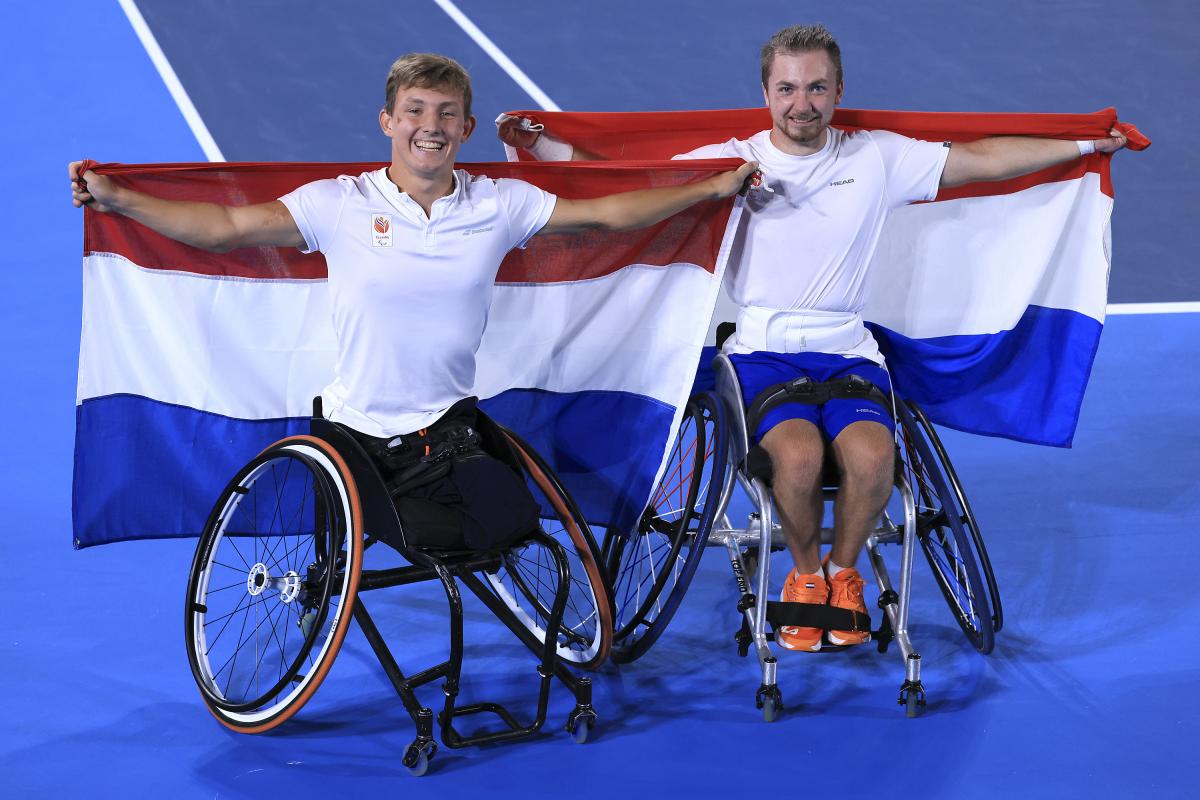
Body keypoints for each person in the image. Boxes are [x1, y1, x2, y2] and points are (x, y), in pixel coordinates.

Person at [499, 24, 1128, 650]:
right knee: (797, 459)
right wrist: (545, 146)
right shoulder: (731, 166)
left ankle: (842, 572)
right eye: (788, 89)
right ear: (767, 93)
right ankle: (803, 576)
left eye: (817, 88)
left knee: (875, 457)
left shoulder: (878, 157)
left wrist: (1083, 145)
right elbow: (624, 186)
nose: (803, 104)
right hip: (762, 353)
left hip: (850, 350)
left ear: (838, 90)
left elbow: (983, 161)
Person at [71, 52, 757, 552]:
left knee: (512, 528)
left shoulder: (499, 204)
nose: (430, 127)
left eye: (446, 115)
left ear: (465, 128)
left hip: (450, 431)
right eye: (416, 113)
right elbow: (225, 230)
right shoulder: (339, 204)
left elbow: (607, 216)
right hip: (355, 438)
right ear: (388, 121)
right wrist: (119, 198)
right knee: (435, 541)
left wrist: (707, 191)